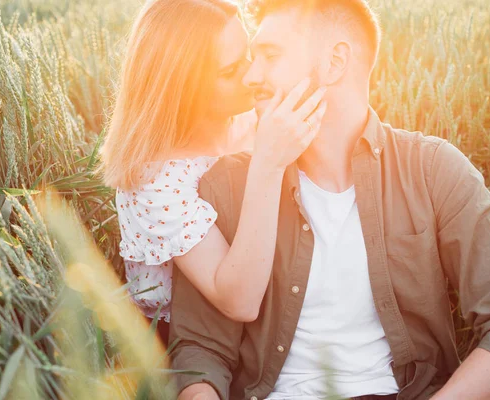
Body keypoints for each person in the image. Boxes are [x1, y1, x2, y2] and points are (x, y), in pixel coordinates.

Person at [168, 1, 490, 399]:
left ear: (335, 62)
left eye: (270, 56)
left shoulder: (433, 169)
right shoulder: (225, 186)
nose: (251, 76)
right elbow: (199, 354)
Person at [98, 0, 327, 345]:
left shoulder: (256, 123)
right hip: (189, 349)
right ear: (181, 86)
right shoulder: (155, 180)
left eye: (249, 55)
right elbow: (239, 302)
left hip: (274, 332)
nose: (252, 75)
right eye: (229, 71)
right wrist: (267, 164)